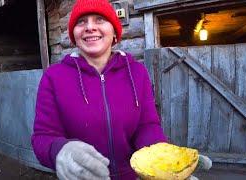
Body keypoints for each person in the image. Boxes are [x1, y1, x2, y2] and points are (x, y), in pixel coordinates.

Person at [31, 0, 211, 179]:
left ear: (115, 32)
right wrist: (60, 150)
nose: (89, 27)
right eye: (81, 21)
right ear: (73, 34)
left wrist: (162, 162)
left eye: (99, 19)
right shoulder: (54, 77)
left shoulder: (137, 72)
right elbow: (43, 137)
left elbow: (146, 126)